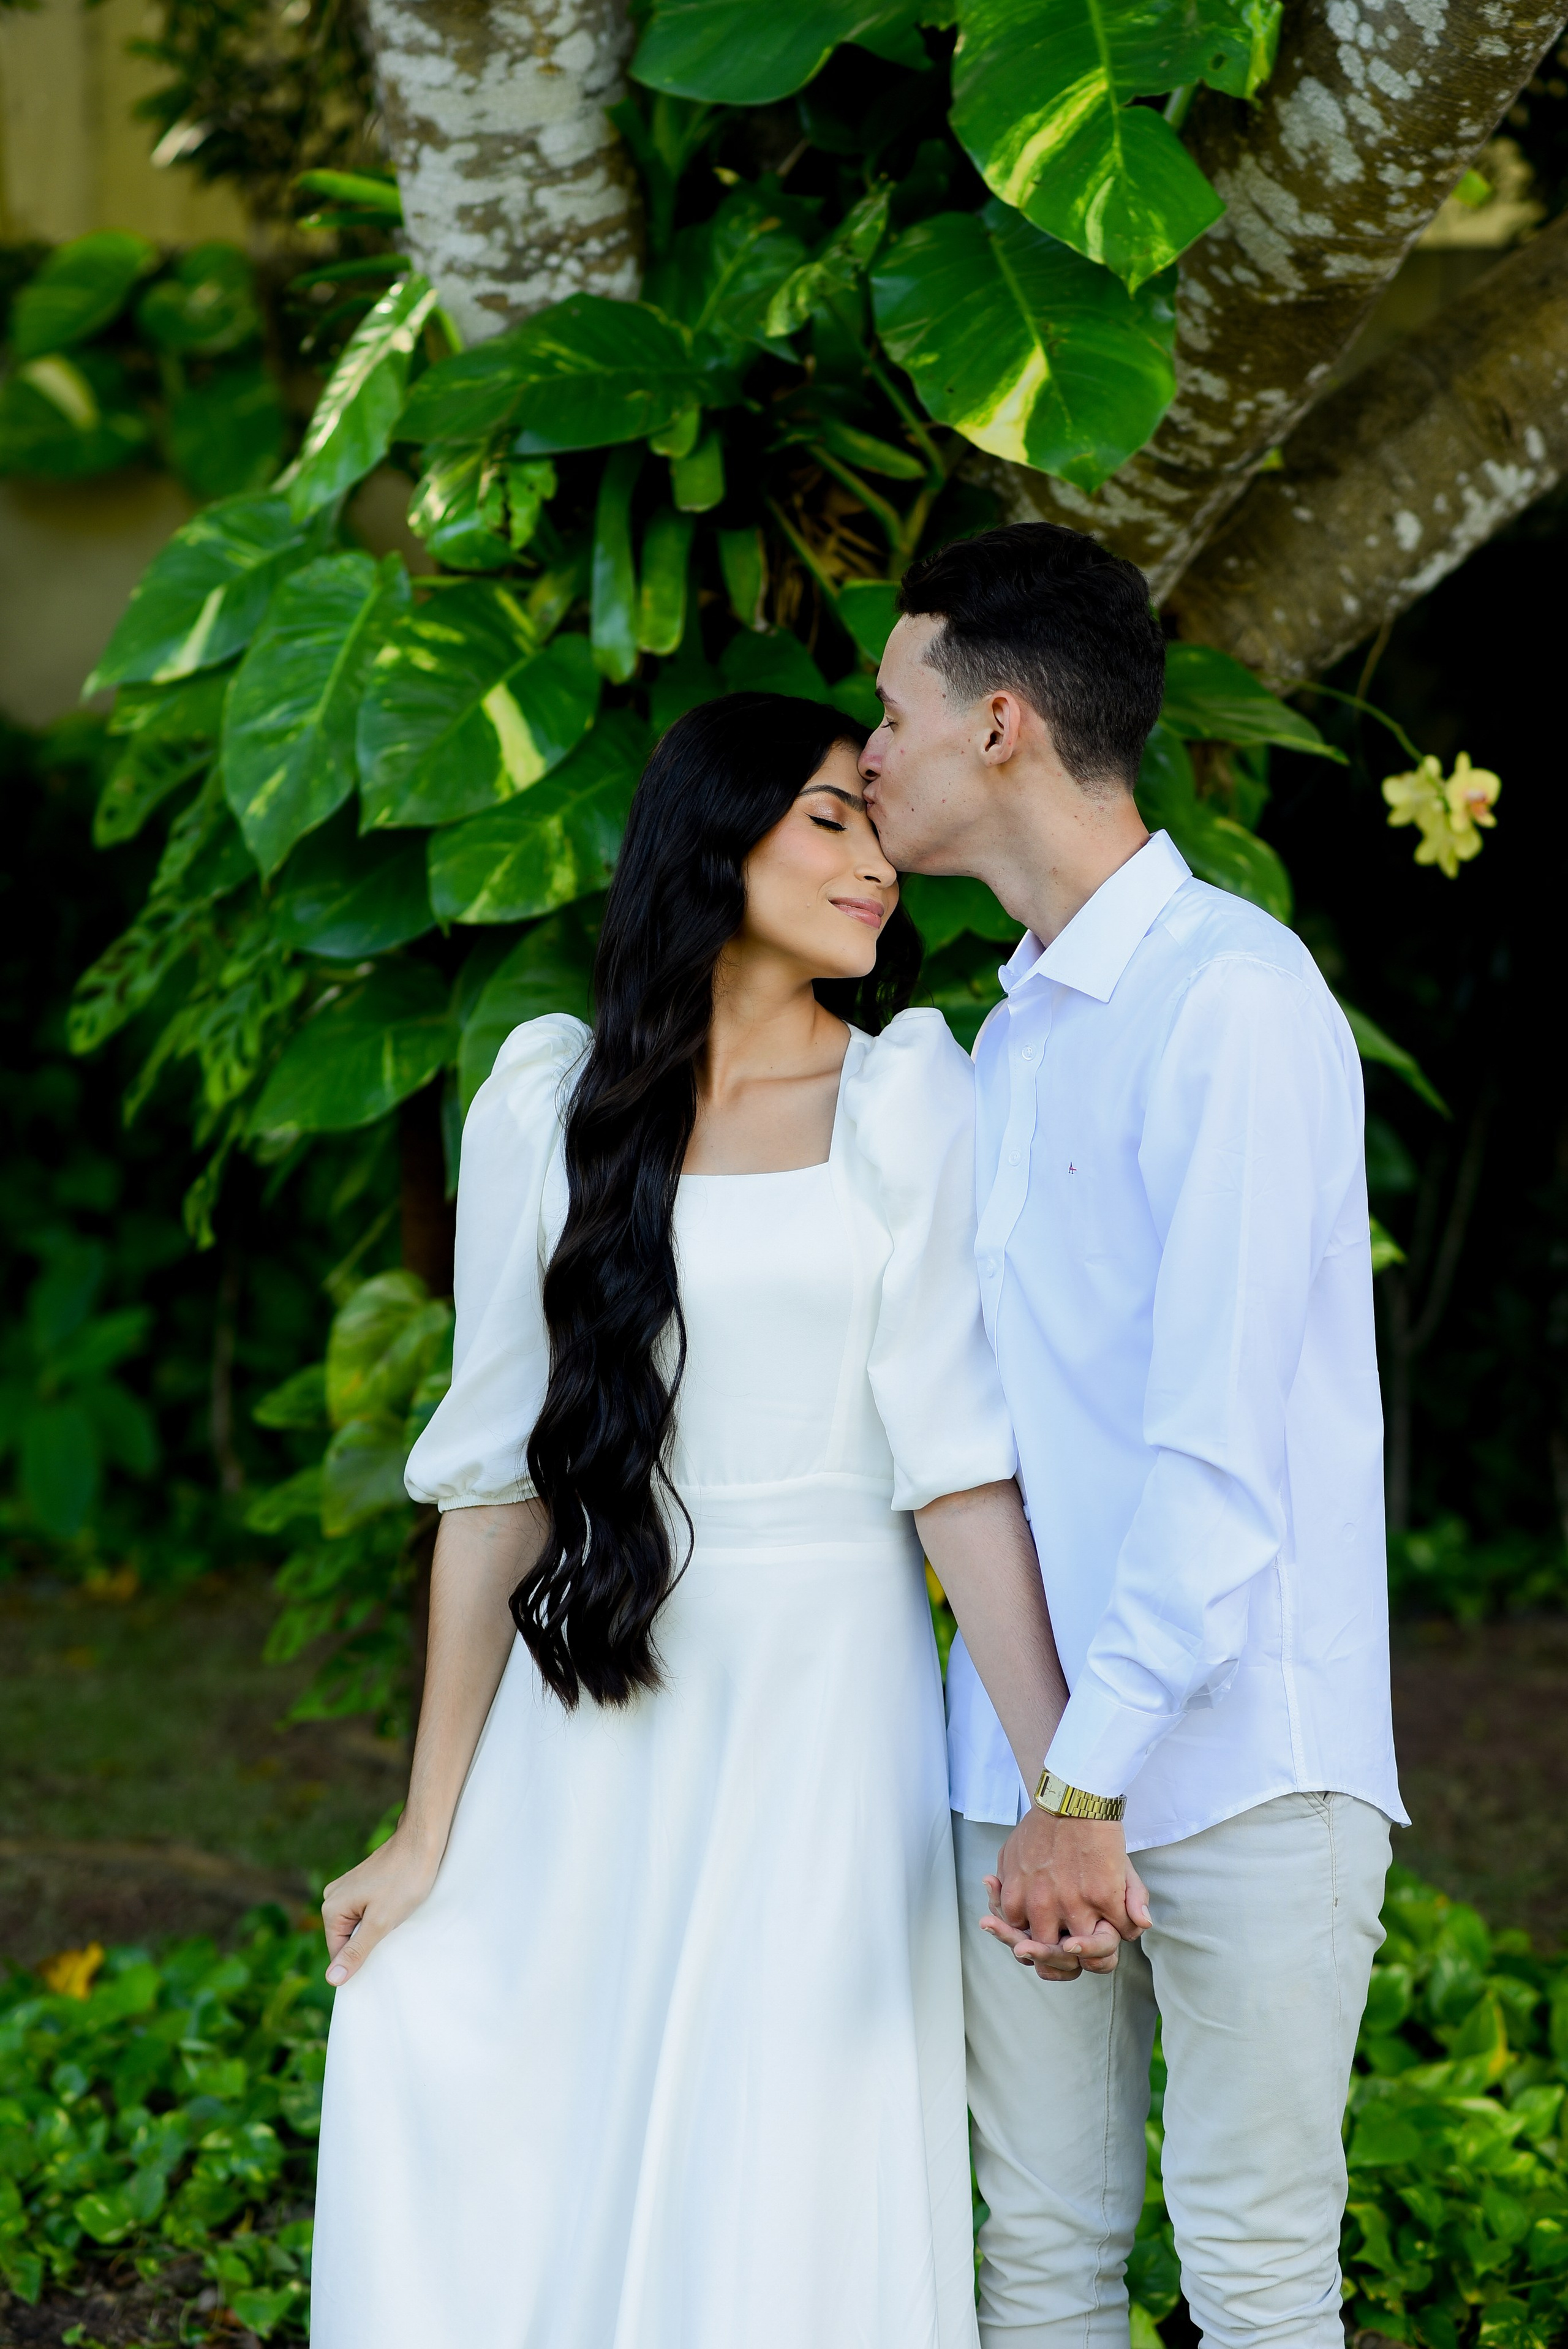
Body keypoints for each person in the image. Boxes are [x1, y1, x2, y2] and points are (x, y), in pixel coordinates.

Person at [309, 692, 1074, 2349]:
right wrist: (428, 1822)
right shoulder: (549, 1099)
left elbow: (953, 1464)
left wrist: (1064, 1778)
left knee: (783, 2130)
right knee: (473, 2043)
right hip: (601, 1680)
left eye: (881, 824)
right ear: (711, 841)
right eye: (830, 817)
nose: (876, 863)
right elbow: (496, 1477)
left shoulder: (905, 1097)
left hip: (824, 1695)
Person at [859, 523, 1406, 2349]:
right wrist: (1045, 1783)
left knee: (1253, 2268)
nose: (871, 755)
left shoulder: (1233, 1004)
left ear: (998, 722)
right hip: (1024, 1783)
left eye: (891, 708)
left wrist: (1086, 1787)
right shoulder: (1003, 1046)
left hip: (1244, 1763)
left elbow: (1214, 1455)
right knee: (1040, 2256)